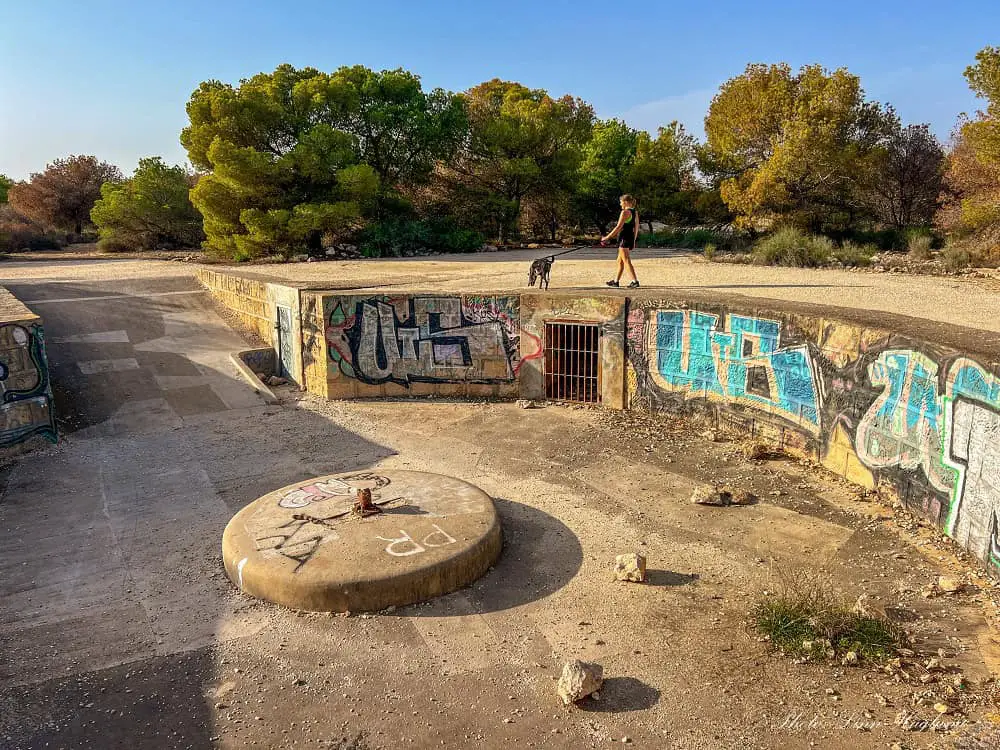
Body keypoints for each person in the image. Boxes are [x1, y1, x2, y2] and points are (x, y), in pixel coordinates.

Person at [601, 194, 640, 288]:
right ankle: (616, 281)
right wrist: (633, 240)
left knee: (626, 260)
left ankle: (634, 281)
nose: (620, 204)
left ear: (625, 202)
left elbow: (618, 227)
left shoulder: (625, 212)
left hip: (624, 238)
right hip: (629, 237)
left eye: (621, 202)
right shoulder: (635, 212)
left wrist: (607, 237)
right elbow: (636, 227)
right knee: (620, 261)